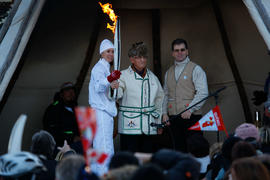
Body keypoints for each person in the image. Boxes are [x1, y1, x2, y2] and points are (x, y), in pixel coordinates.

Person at [162, 38, 209, 152]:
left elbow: (203, 93)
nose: (180, 53)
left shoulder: (196, 69)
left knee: (196, 150)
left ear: (187, 51)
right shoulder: (168, 72)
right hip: (174, 118)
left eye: (182, 50)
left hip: (192, 117)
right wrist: (164, 113)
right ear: (172, 53)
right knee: (178, 150)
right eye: (176, 50)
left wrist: (190, 109)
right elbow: (165, 95)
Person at [117, 42, 164, 153]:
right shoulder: (122, 76)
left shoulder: (153, 78)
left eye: (144, 57)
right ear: (132, 59)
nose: (142, 60)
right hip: (129, 127)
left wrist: (158, 122)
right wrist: (114, 86)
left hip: (149, 126)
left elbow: (159, 100)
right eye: (138, 57)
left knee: (147, 158)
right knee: (130, 160)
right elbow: (116, 95)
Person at [89, 39, 120, 176]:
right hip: (100, 111)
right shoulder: (98, 68)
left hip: (106, 111)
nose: (111, 54)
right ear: (101, 53)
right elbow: (98, 86)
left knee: (105, 145)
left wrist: (113, 85)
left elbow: (107, 91)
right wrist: (109, 80)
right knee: (104, 146)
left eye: (113, 51)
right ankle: (104, 175)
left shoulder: (106, 68)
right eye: (108, 51)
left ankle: (101, 174)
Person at [43, 82, 80, 148]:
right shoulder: (53, 109)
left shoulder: (76, 109)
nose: (71, 93)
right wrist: (72, 138)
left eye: (73, 91)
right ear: (61, 94)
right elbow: (51, 131)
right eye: (67, 91)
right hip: (60, 147)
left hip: (76, 145)